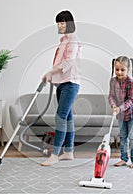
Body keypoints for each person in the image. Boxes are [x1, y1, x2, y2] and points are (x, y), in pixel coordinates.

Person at [41, 10, 82, 166]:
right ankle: (69, 151)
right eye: (58, 22)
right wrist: (51, 75)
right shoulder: (63, 40)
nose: (59, 25)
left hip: (71, 82)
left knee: (61, 116)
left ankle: (55, 154)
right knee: (68, 117)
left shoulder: (73, 40)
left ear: (69, 23)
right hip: (62, 82)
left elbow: (69, 62)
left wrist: (50, 72)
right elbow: (59, 61)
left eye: (62, 22)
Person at [108, 56, 133, 168]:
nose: (119, 72)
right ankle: (124, 158)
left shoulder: (130, 82)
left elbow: (131, 100)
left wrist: (120, 107)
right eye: (117, 69)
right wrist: (113, 105)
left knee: (132, 137)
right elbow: (111, 96)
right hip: (120, 114)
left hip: (132, 113)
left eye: (122, 70)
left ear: (128, 70)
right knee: (123, 136)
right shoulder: (113, 81)